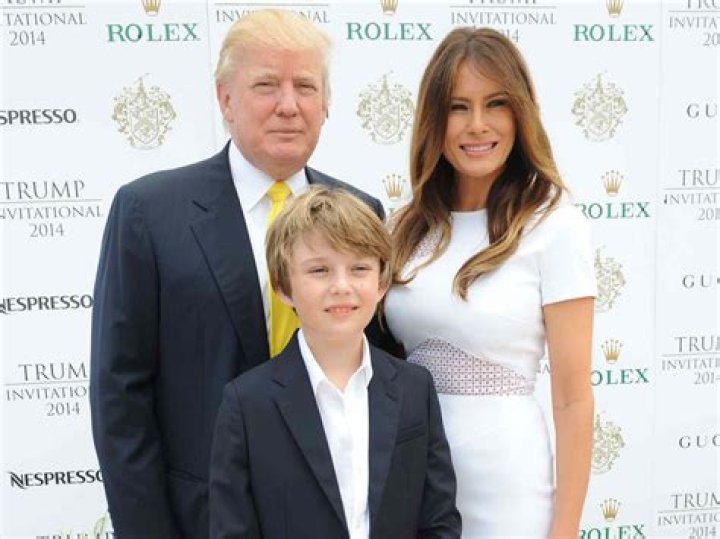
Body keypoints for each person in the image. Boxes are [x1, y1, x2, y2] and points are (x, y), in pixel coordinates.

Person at [89, 10, 383, 539]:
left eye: (305, 86)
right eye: (266, 85)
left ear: (326, 103)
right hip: (200, 521)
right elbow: (120, 399)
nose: (288, 105)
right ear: (225, 99)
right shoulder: (150, 214)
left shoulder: (363, 213)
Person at [383, 27, 596, 538]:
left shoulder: (554, 226)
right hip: (410, 482)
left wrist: (565, 529)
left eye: (495, 104)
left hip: (507, 490)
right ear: (434, 120)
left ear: (520, 113)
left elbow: (572, 398)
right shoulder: (405, 228)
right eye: (458, 107)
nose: (477, 125)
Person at [209, 186, 461, 539]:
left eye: (359, 268)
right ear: (283, 286)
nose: (342, 286)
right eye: (319, 270)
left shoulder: (414, 388)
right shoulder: (247, 403)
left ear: (381, 282)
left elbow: (438, 521)